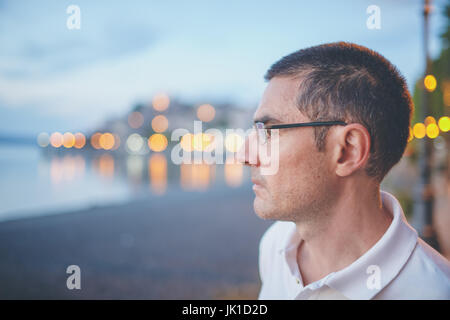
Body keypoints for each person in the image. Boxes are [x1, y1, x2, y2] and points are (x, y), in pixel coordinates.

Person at [237, 42, 450, 299]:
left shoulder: (433, 292)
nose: (244, 156)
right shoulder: (277, 246)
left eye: (269, 132)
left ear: (348, 150)